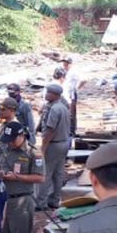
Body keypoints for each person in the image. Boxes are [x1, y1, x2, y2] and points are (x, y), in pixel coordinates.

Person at [0, 120, 43, 233]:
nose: (10, 143)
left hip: (22, 202)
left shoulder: (34, 153)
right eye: (7, 140)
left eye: (12, 140)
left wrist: (17, 177)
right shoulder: (3, 148)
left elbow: (40, 178)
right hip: (3, 201)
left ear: (21, 136)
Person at [38, 82, 71, 210]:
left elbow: (50, 130)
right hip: (64, 143)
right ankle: (55, 200)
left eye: (48, 93)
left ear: (54, 95)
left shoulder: (54, 109)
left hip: (54, 144)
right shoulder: (63, 107)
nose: (46, 95)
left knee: (46, 173)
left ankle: (41, 202)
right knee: (58, 173)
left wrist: (43, 148)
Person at [60, 55, 80, 136]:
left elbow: (84, 79)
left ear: (70, 63)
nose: (65, 65)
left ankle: (71, 131)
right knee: (69, 113)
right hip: (67, 94)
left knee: (70, 113)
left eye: (66, 63)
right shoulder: (66, 72)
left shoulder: (73, 72)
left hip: (71, 94)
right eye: (64, 63)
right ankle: (70, 130)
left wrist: (76, 88)